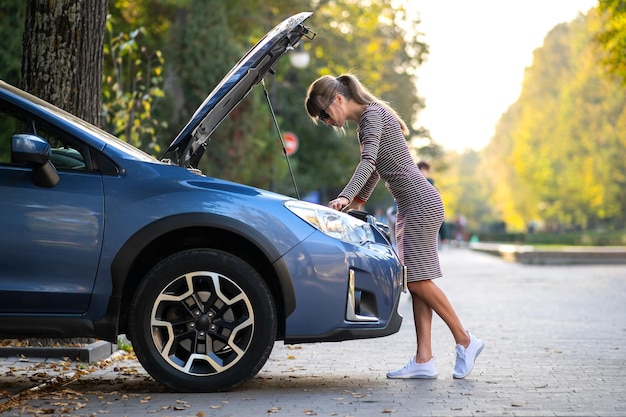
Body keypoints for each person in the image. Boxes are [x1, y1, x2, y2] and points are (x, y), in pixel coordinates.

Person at [304, 74, 483, 379]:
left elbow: (368, 161)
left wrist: (346, 194)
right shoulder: (370, 118)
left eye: (323, 113)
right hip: (412, 204)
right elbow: (375, 169)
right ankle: (424, 359)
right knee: (417, 283)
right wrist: (358, 199)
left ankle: (465, 340)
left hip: (419, 204)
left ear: (337, 99)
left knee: (416, 282)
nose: (325, 120)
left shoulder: (372, 115)